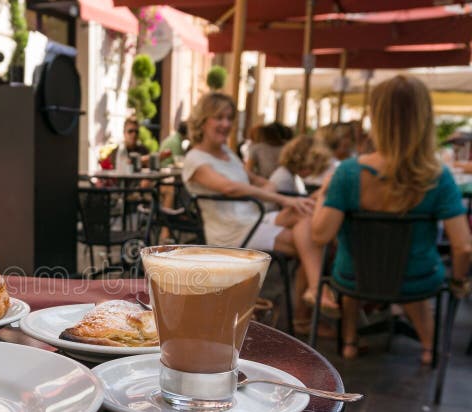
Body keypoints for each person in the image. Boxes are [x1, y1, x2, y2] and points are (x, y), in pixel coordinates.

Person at [312, 75, 472, 362]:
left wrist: (324, 192)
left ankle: (349, 342)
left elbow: (320, 235)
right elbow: (463, 247)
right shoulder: (438, 177)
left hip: (353, 277)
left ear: (377, 116)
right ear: (425, 118)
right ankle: (427, 348)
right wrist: (459, 282)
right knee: (414, 272)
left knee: (351, 273)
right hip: (417, 279)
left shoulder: (348, 173)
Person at [183, 92, 338, 315]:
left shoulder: (228, 153)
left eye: (229, 118)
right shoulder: (195, 158)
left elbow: (257, 181)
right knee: (313, 243)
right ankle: (309, 304)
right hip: (232, 231)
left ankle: (312, 296)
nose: (226, 124)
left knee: (306, 214)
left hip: (254, 218)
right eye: (219, 117)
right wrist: (283, 199)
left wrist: (269, 190)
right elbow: (230, 187)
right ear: (202, 121)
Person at [269, 135, 333, 195]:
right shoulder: (284, 179)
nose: (312, 173)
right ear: (301, 162)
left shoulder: (289, 175)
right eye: (311, 168)